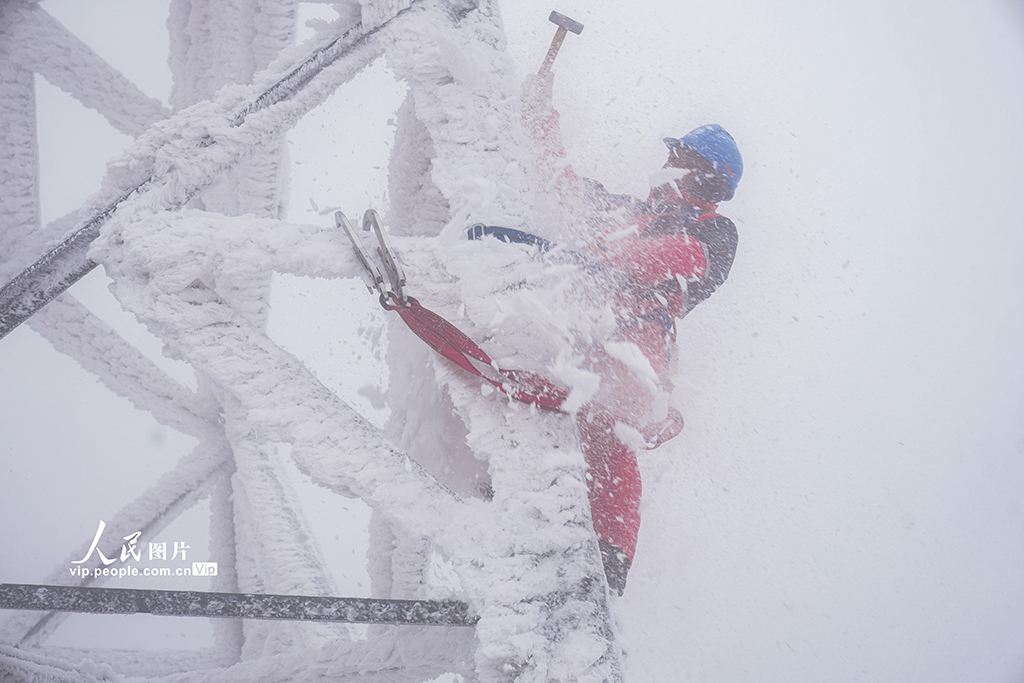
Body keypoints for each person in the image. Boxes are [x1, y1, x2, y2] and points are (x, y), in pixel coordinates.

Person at [520, 72, 743, 595]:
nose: (668, 168)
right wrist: (539, 121)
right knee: (543, 416)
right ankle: (508, 501)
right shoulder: (630, 211)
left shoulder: (713, 229)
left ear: (708, 180)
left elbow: (685, 259)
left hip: (632, 352)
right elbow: (565, 188)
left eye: (683, 162)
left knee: (609, 434)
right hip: (569, 333)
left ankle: (607, 562)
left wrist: (600, 258)